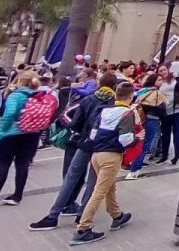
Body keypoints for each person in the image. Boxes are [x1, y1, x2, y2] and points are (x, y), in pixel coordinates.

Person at [28, 73, 117, 231]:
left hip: (84, 143)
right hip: (102, 146)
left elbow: (75, 123)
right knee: (92, 182)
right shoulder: (114, 102)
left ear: (99, 83)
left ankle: (53, 214)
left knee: (71, 177)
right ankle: (82, 215)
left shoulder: (88, 99)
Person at [0, 70, 52, 209]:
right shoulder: (40, 95)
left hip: (12, 134)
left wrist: (3, 131)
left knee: (3, 166)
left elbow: (9, 113)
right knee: (22, 165)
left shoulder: (16, 95)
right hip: (32, 133)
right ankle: (17, 196)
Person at [70, 82, 135, 245]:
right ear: (130, 96)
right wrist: (137, 138)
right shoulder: (127, 113)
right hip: (111, 155)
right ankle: (83, 228)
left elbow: (93, 133)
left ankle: (116, 215)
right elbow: (125, 139)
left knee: (109, 186)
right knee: (99, 191)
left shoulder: (104, 111)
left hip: (96, 154)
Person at [125, 73, 165, 180]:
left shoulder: (142, 91)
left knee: (139, 143)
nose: (161, 82)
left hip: (140, 119)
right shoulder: (156, 93)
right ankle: (134, 170)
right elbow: (161, 109)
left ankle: (133, 167)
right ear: (153, 81)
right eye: (159, 80)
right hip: (152, 120)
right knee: (145, 145)